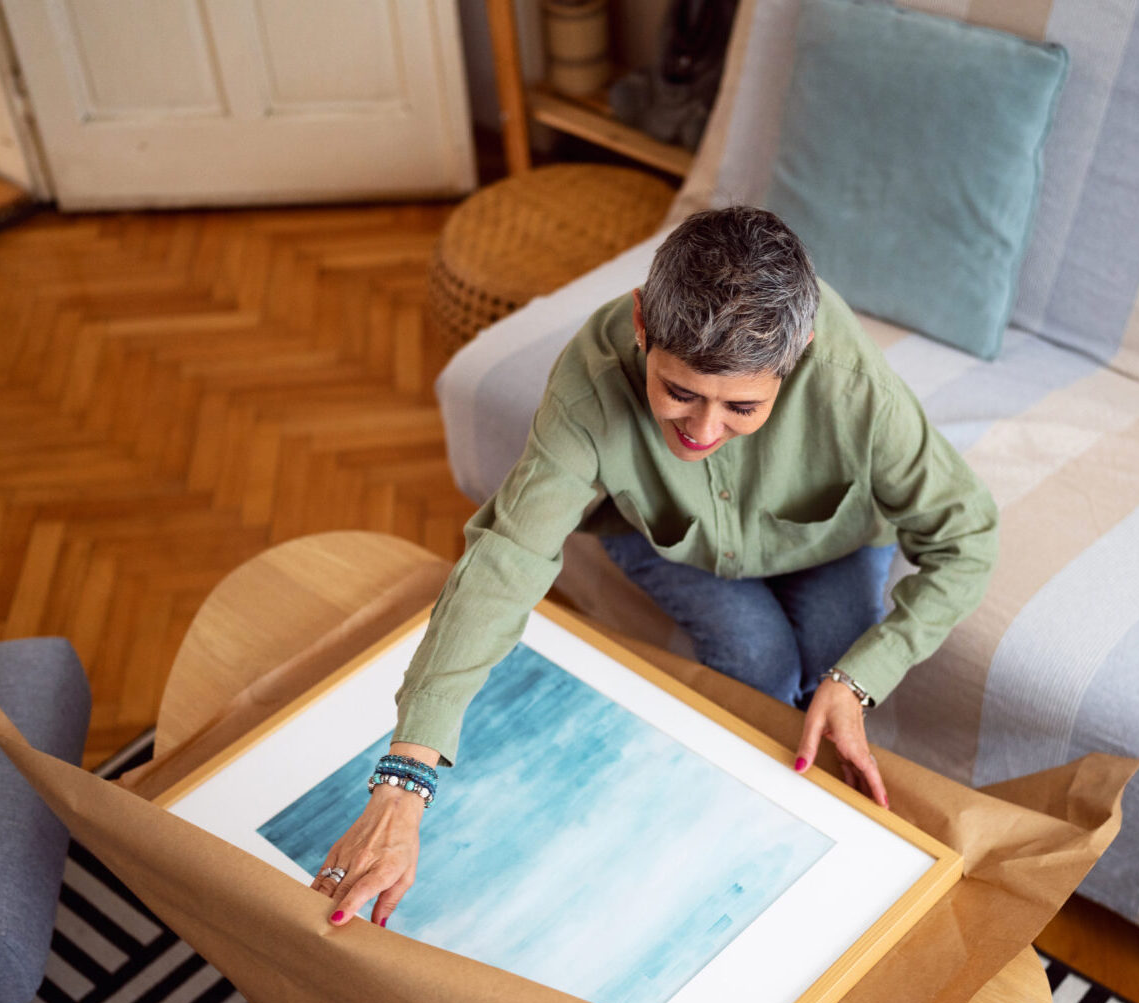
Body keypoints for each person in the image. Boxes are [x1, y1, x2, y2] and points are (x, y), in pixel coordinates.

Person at [311, 207, 998, 927]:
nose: (703, 432)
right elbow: (508, 557)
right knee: (756, 661)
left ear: (798, 356)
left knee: (837, 683)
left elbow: (968, 536)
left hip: (828, 539)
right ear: (642, 325)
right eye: (679, 393)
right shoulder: (591, 379)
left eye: (741, 406)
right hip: (668, 538)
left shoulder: (852, 383)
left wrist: (861, 677)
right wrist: (404, 779)